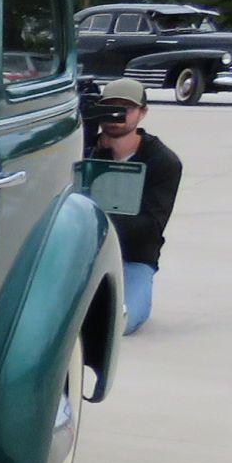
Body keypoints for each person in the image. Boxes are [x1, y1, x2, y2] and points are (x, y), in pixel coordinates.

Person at [88, 78, 182, 334]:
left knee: (119, 322)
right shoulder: (85, 150)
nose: (115, 116)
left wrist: (95, 222)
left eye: (125, 109)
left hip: (132, 258)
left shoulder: (163, 161)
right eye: (108, 108)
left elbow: (151, 226)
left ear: (142, 113)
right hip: (82, 254)